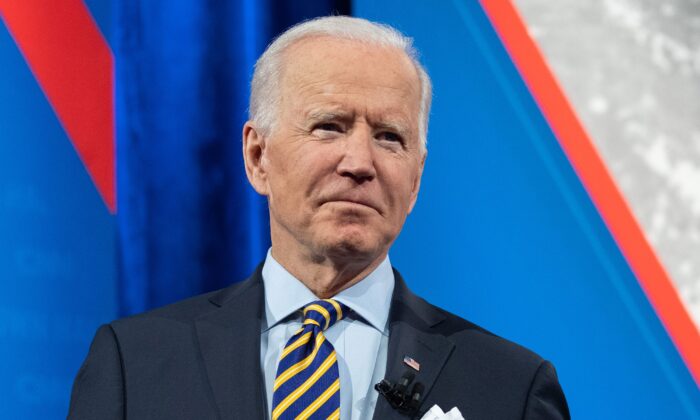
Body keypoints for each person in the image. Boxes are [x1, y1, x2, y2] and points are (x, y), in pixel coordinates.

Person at [68, 16, 570, 420]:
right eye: (329, 127)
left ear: (415, 179)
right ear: (258, 157)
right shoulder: (134, 365)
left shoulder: (510, 388)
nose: (359, 162)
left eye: (389, 137)